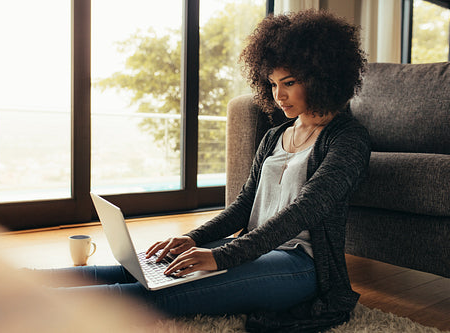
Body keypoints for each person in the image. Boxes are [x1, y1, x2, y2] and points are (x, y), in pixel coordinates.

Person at [38, 9, 370, 332]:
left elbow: (303, 211)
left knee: (152, 296)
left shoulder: (348, 140)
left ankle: (27, 307)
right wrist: (192, 239)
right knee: (141, 269)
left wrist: (222, 257)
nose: (278, 95)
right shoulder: (275, 136)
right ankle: (16, 281)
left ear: (322, 78)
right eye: (271, 84)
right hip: (254, 250)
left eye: (289, 82)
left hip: (301, 267)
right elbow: (243, 207)